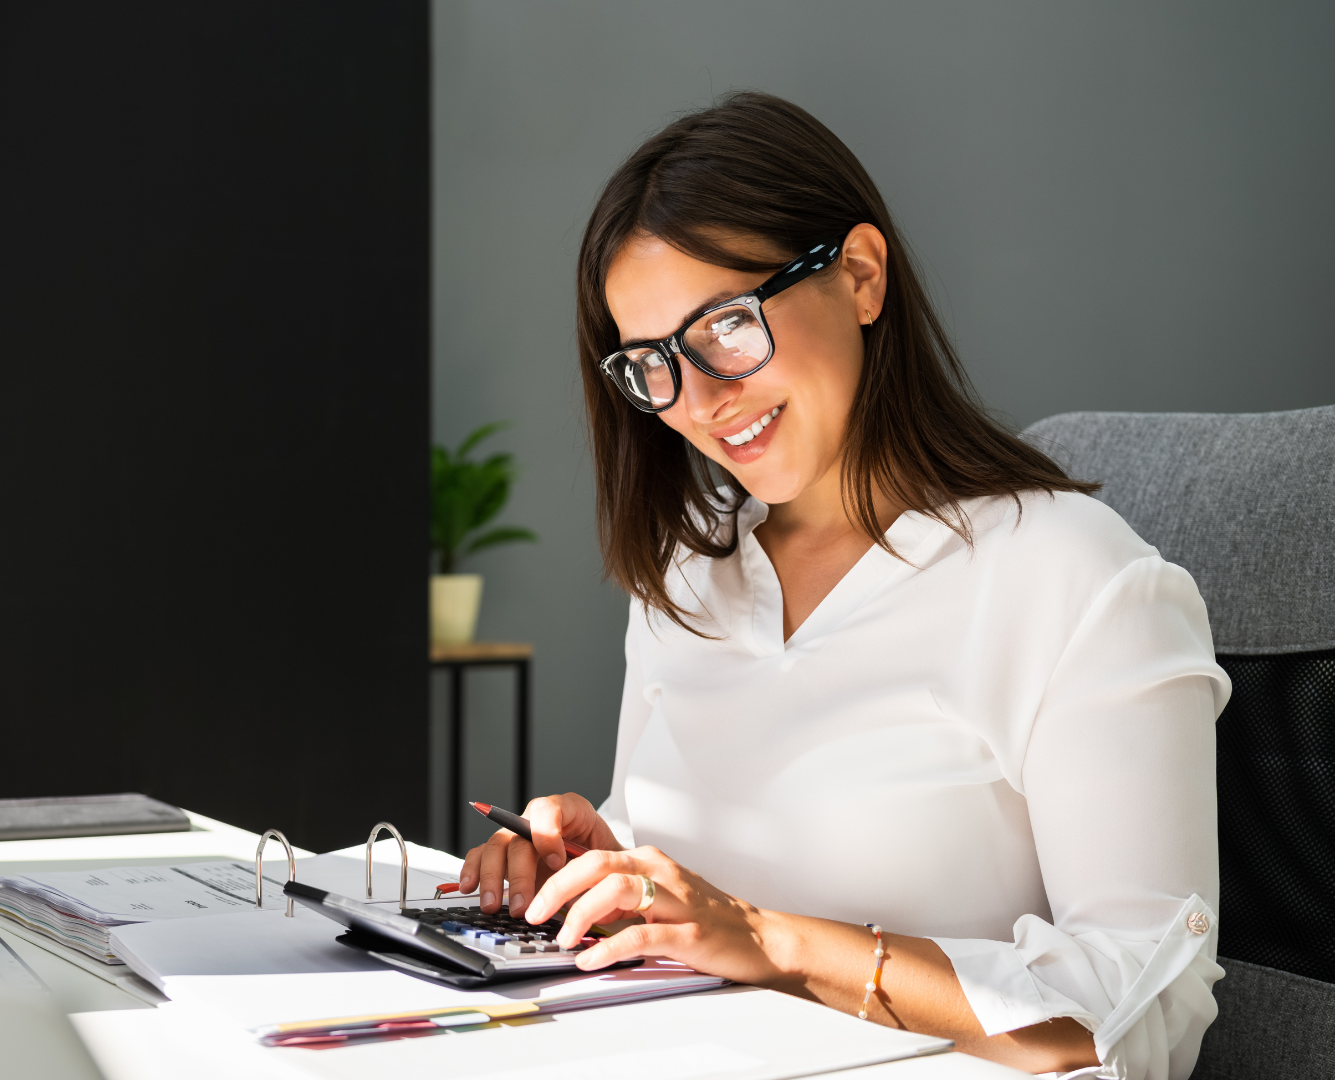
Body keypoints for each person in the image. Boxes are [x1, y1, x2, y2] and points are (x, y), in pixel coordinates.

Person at [459, 92, 1225, 1080]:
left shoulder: (1078, 581)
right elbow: (702, 882)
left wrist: (770, 941)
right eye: (651, 366)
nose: (696, 399)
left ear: (860, 276)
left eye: (727, 326)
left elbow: (1144, 1008)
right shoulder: (688, 577)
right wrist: (605, 871)